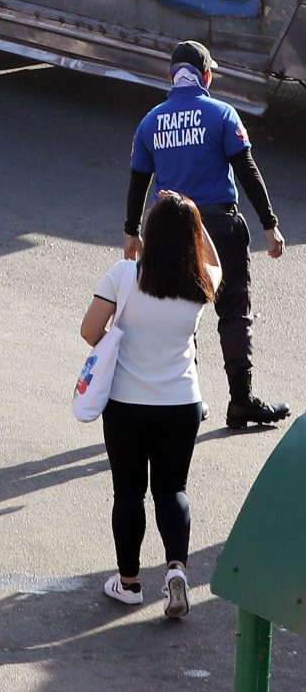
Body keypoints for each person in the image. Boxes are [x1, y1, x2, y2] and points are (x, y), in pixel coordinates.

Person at [124, 39, 289, 429]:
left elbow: (137, 181)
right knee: (233, 311)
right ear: (207, 76)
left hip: (169, 230)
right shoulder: (222, 115)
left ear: (171, 76)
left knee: (181, 311)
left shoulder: (151, 121)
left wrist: (132, 232)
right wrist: (270, 225)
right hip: (219, 226)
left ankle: (190, 402)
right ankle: (242, 400)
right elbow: (247, 170)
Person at [87, 193, 215, 616]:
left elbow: (90, 331)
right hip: (182, 401)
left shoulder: (124, 275)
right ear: (192, 239)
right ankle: (176, 570)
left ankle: (129, 583)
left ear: (150, 234)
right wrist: (193, 218)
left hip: (127, 401)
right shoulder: (202, 282)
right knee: (172, 489)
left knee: (128, 492)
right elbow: (213, 258)